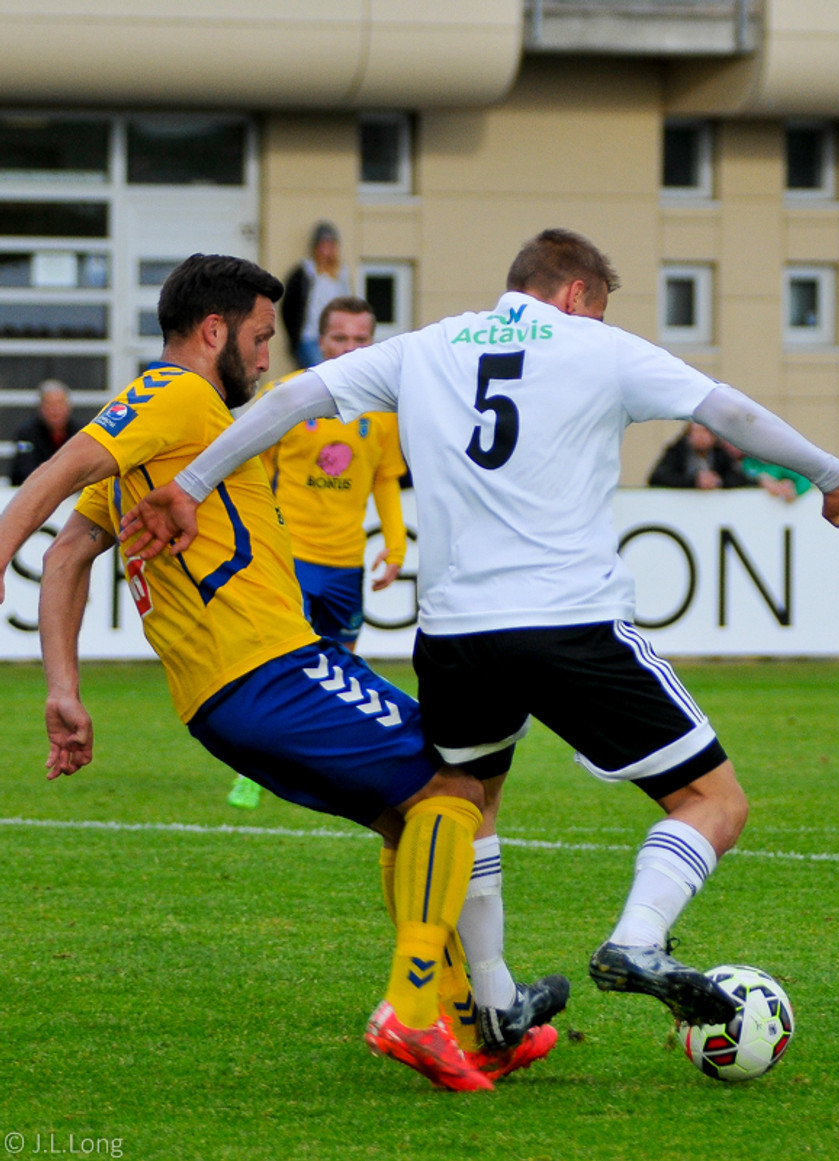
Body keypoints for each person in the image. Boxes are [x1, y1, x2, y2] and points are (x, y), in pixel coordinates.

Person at [117, 229, 839, 1035]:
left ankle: (494, 999)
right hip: (569, 619)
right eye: (596, 306)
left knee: (470, 802)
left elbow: (287, 402)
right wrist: (830, 475)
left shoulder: (426, 348)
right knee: (713, 800)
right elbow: (726, 410)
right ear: (576, 294)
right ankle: (638, 937)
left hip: (456, 635)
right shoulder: (599, 347)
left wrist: (191, 484)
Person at [0, 253, 568, 1093]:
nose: (267, 358)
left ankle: (469, 1023)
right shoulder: (175, 395)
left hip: (219, 700)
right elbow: (58, 473)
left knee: (409, 817)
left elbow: (69, 556)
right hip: (270, 667)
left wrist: (63, 690)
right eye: (261, 338)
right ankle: (420, 1009)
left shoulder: (164, 437)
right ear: (214, 331)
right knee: (458, 784)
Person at [226, 296, 408, 811]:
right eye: (339, 338)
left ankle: (334, 763)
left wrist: (395, 545)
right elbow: (251, 469)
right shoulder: (286, 395)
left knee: (342, 668)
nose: (349, 348)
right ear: (320, 341)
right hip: (291, 557)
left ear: (372, 342)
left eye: (360, 339)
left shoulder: (384, 411)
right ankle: (252, 771)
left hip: (346, 562)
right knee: (283, 664)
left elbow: (385, 480)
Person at [281, 222, 352, 368]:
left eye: (331, 245)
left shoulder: (342, 273)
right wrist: (294, 337)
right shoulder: (305, 272)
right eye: (323, 245)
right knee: (320, 372)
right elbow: (288, 306)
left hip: (334, 336)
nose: (327, 250)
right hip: (309, 337)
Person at [10, 379, 79, 485]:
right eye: (49, 405)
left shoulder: (80, 432)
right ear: (41, 408)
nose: (55, 410)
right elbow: (24, 469)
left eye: (59, 404)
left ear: (68, 407)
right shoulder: (26, 434)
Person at [647, 422, 752, 490]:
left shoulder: (720, 453)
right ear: (688, 435)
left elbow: (738, 477)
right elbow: (657, 478)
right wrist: (694, 482)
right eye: (696, 431)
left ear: (713, 436)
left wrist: (718, 480)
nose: (700, 436)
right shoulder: (677, 452)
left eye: (705, 432)